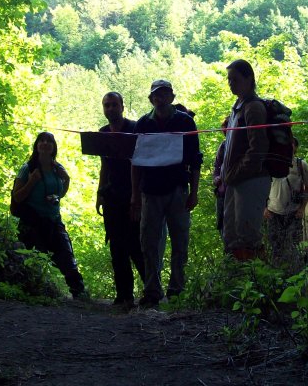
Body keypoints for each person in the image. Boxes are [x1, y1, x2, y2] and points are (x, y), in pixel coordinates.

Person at [131, 79, 202, 308]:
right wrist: (135, 196)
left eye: (164, 95)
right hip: (150, 192)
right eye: (156, 96)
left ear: (171, 97)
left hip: (178, 191)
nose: (160, 99)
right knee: (149, 243)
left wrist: (194, 192)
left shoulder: (186, 122)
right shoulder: (142, 124)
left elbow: (195, 160)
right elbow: (136, 163)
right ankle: (152, 291)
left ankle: (177, 292)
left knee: (180, 242)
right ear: (151, 99)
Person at [12, 131, 87, 299]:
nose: (45, 143)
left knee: (67, 257)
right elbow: (17, 197)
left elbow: (61, 193)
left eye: (49, 141)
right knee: (34, 260)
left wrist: (66, 180)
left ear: (54, 147)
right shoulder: (28, 168)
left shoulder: (57, 168)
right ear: (37, 146)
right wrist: (32, 182)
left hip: (54, 221)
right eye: (41, 141)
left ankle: (80, 294)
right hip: (32, 222)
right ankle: (30, 294)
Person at [95, 92, 145, 308]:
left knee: (136, 244)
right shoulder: (102, 133)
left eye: (114, 105)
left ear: (122, 106)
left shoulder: (135, 129)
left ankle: (152, 290)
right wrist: (99, 193)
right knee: (116, 246)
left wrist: (138, 197)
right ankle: (123, 295)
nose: (111, 109)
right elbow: (104, 165)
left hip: (133, 194)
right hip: (112, 196)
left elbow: (142, 163)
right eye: (107, 105)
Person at [222, 59, 271, 261]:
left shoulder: (253, 108)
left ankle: (255, 282)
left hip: (250, 180)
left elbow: (258, 148)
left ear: (249, 78)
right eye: (229, 80)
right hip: (236, 180)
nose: (231, 83)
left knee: (248, 235)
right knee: (232, 234)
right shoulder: (238, 107)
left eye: (235, 79)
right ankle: (238, 279)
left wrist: (238, 172)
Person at [264, 137, 308, 267]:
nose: (289, 147)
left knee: (294, 246)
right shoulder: (271, 163)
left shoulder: (301, 165)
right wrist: (264, 208)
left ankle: (295, 273)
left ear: (295, 148)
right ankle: (278, 275)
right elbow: (262, 187)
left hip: (293, 213)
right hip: (273, 213)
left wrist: (302, 208)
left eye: (292, 145)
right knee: (275, 248)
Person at [212, 116, 230, 232]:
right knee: (222, 224)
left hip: (236, 192)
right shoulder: (223, 146)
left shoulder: (243, 145)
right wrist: (216, 178)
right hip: (222, 193)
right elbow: (217, 166)